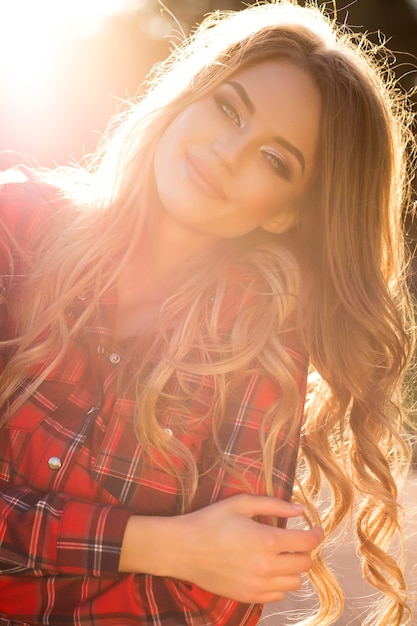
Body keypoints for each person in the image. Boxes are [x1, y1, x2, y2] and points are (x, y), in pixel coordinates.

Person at [0, 0, 415, 624]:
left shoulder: (261, 345)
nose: (228, 151)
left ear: (285, 212)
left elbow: (214, 600)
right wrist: (160, 545)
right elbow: (193, 568)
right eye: (229, 108)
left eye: (276, 160)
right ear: (189, 97)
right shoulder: (17, 227)